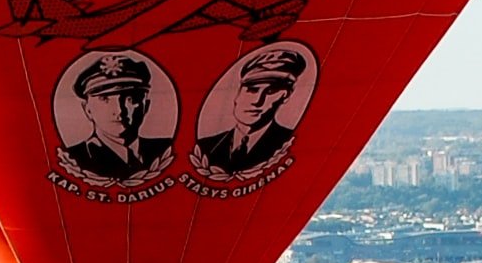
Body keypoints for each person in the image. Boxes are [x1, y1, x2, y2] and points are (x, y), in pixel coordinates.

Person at [193, 44, 308, 179]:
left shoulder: (288, 143)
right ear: (238, 93)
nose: (257, 101)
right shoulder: (206, 145)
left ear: (285, 96)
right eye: (252, 89)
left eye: (271, 91)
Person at [58, 52, 171, 185]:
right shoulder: (73, 158)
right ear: (87, 109)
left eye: (131, 98)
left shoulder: (166, 149)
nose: (119, 110)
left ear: (146, 106)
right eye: (105, 99)